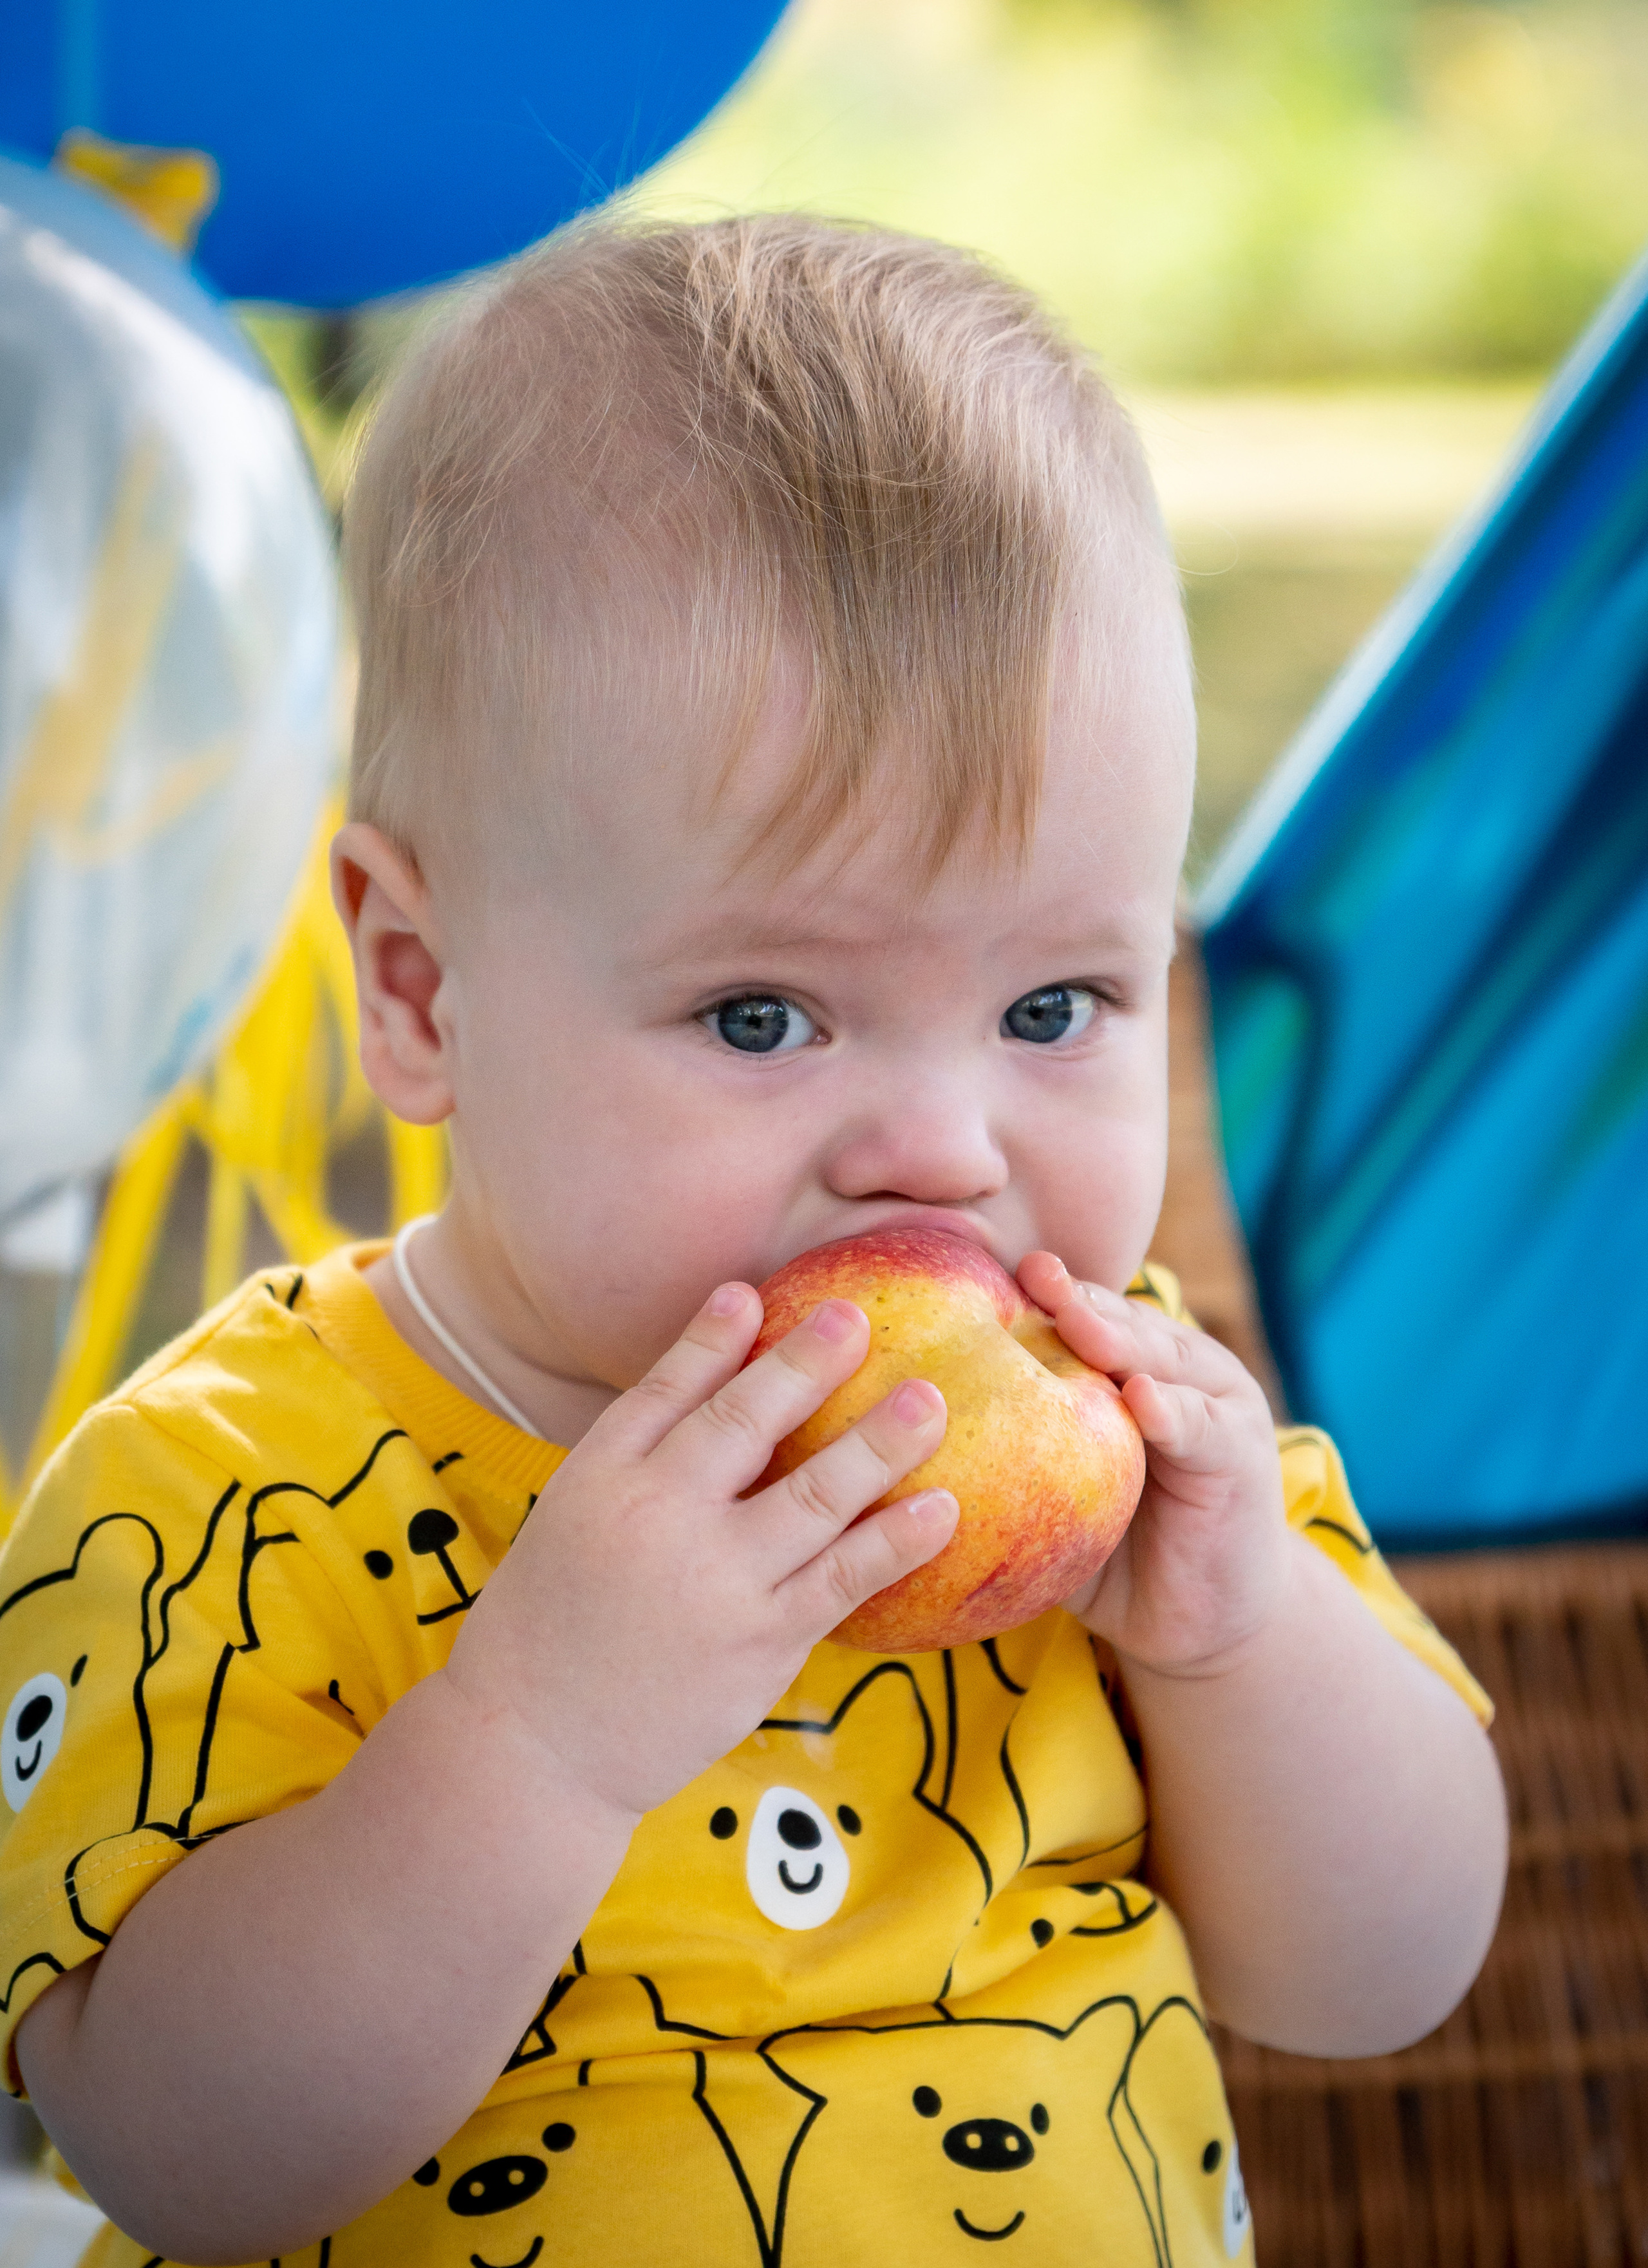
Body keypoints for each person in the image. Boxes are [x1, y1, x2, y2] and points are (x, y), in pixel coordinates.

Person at [0, 215, 1507, 2268]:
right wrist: (539, 1737)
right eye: (763, 1017)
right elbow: (177, 2150)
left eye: (1053, 1003)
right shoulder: (232, 1491)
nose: (942, 1152)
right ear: (423, 991)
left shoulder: (1149, 1449)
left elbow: (1382, 1979)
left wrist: (1238, 1642)